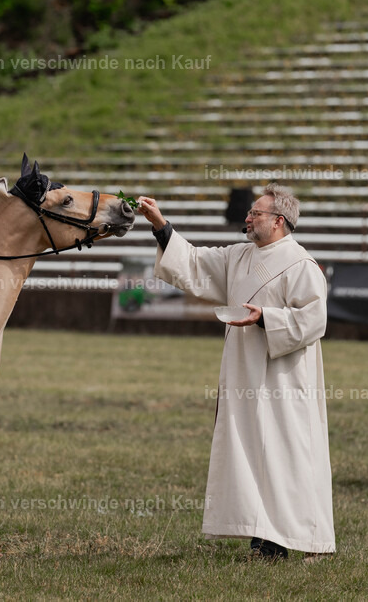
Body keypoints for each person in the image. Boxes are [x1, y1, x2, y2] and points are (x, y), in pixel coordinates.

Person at [136, 184, 335, 561]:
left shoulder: (300, 264)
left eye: (255, 213)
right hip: (243, 374)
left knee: (279, 456)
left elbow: (314, 318)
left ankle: (281, 540)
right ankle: (259, 537)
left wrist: (267, 319)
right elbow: (192, 263)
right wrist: (160, 225)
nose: (247, 217)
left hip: (282, 378)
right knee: (249, 455)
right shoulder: (239, 256)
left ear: (279, 221)